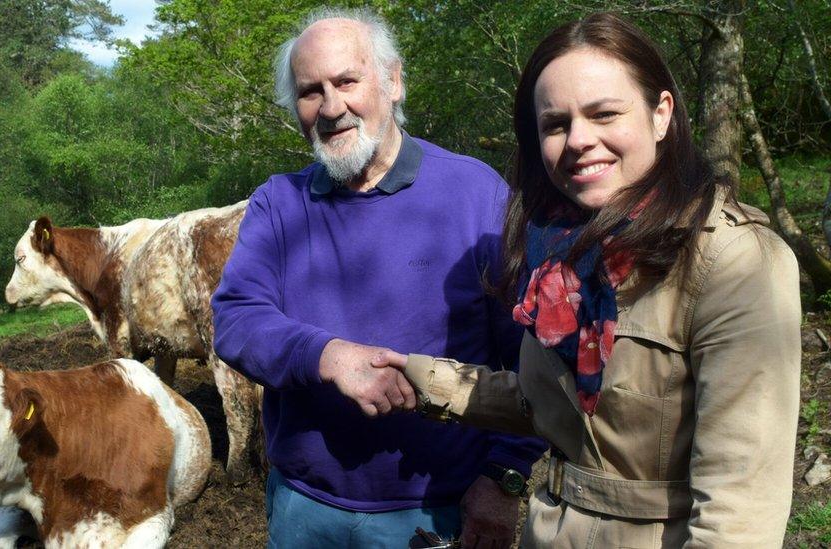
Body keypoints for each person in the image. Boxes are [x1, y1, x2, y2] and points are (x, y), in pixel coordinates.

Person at [373, 12, 802, 548]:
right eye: (555, 124)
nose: (578, 140)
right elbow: (548, 405)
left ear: (661, 114)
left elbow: (739, 514)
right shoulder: (559, 254)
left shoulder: (735, 261)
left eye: (604, 114)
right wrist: (418, 378)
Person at [211, 7, 544, 548]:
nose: (331, 107)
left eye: (347, 81)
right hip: (302, 508)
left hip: (434, 514)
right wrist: (329, 355)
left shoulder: (475, 194)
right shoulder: (279, 202)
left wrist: (504, 479)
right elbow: (235, 320)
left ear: (392, 81)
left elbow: (531, 357)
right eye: (310, 91)